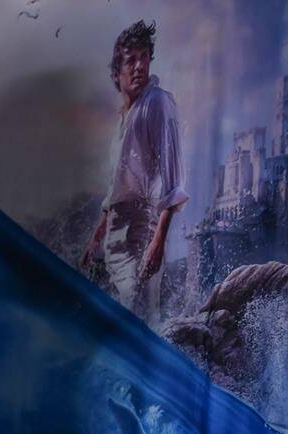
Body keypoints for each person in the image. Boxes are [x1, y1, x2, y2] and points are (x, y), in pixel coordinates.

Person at [81, 20, 188, 325]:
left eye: (144, 57)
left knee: (136, 318)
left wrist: (158, 241)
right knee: (121, 318)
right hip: (117, 231)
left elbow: (174, 179)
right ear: (118, 72)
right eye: (131, 60)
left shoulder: (158, 103)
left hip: (141, 227)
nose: (140, 66)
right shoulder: (124, 118)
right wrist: (98, 234)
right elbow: (119, 185)